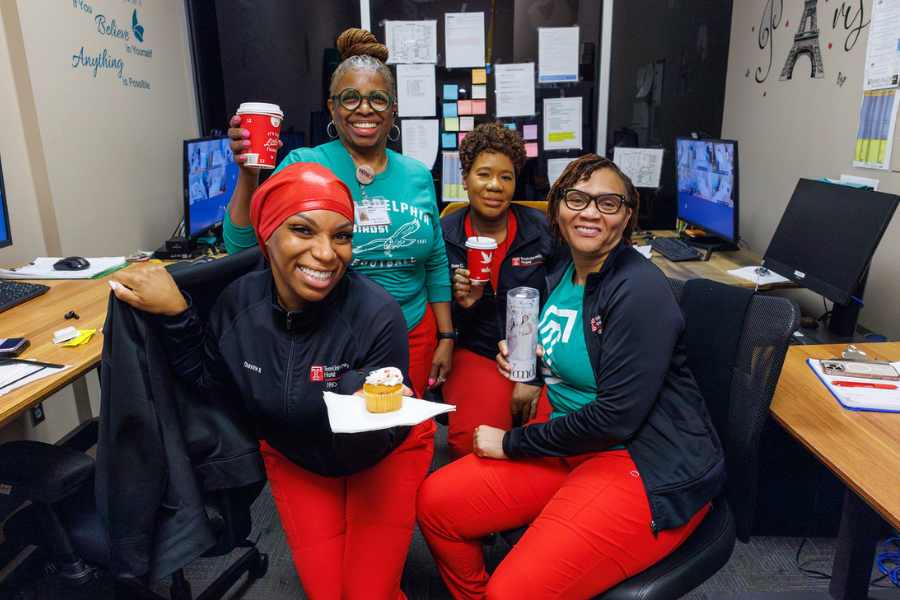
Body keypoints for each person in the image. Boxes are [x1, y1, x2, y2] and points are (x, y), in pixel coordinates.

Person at [110, 163, 436, 600]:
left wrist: (352, 399)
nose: (326, 253)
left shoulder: (377, 315)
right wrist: (177, 314)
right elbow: (210, 383)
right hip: (296, 454)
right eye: (304, 231)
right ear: (266, 235)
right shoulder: (236, 304)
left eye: (341, 236)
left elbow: (380, 437)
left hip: (382, 457)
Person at [416, 154, 725, 600]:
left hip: (639, 461)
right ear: (557, 208)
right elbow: (583, 359)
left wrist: (509, 443)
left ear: (628, 215)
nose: (590, 212)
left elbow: (616, 418)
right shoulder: (561, 274)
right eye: (577, 198)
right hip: (572, 446)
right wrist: (534, 366)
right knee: (436, 504)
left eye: (608, 203)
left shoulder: (639, 289)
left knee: (512, 592)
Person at [222, 28, 453, 398]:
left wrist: (445, 335)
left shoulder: (417, 174)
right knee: (337, 440)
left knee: (400, 436)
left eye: (378, 99)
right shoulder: (306, 164)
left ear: (394, 109)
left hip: (415, 333)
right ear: (332, 107)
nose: (365, 109)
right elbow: (243, 245)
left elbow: (436, 260)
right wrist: (249, 174)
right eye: (350, 98)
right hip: (330, 337)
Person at [439, 121, 565, 461]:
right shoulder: (443, 236)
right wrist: (465, 304)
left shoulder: (545, 233)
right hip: (477, 352)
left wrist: (536, 376)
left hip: (542, 355)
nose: (495, 185)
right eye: (483, 174)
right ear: (464, 179)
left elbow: (567, 305)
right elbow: (440, 326)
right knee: (470, 447)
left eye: (506, 177)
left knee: (553, 437)